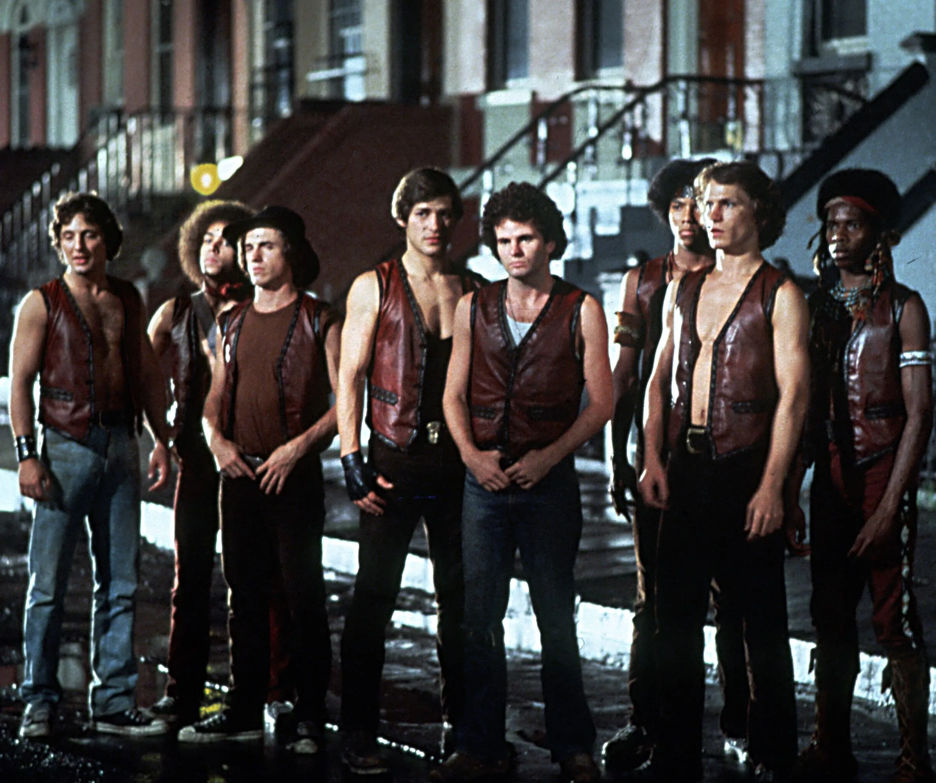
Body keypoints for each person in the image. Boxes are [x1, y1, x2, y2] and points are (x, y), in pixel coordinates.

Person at [437, 182, 612, 783]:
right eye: (505, 240)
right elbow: (452, 393)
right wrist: (470, 457)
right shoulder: (472, 306)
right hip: (482, 483)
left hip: (548, 484)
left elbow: (601, 403)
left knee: (555, 615)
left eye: (527, 238)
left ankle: (573, 746)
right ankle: (478, 743)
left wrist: (549, 459)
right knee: (477, 614)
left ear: (550, 241)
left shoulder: (580, 307)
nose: (515, 250)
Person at [639, 161, 808, 780]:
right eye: (706, 204)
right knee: (673, 621)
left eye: (727, 204)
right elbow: (658, 380)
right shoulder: (684, 288)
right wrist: (652, 458)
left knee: (760, 626)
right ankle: (674, 752)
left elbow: (794, 399)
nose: (710, 216)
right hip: (684, 471)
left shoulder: (780, 294)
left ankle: (773, 753)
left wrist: (772, 487)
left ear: (758, 212)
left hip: (745, 474)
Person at [604, 158, 754, 772]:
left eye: (701, 204)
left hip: (723, 460)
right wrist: (619, 458)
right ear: (666, 211)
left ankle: (739, 723)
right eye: (680, 206)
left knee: (732, 601)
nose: (691, 218)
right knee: (654, 599)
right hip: (656, 462)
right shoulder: (642, 282)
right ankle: (650, 722)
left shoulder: (746, 282)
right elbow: (622, 378)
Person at [179, 206, 340, 754]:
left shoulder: (320, 319)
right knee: (242, 595)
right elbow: (214, 397)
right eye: (247, 247)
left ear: (290, 251)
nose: (252, 255)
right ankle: (245, 705)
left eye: (265, 245)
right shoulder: (231, 320)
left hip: (292, 476)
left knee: (303, 595)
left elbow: (346, 405)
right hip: (240, 474)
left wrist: (296, 450)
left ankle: (312, 713)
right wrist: (216, 441)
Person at [11, 192, 172, 738]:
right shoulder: (43, 302)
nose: (80, 246)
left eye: (91, 235)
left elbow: (147, 373)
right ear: (59, 243)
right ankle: (39, 699)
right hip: (63, 447)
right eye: (71, 236)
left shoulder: (127, 297)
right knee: (48, 587)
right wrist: (27, 457)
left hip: (120, 445)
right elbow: (20, 386)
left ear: (108, 241)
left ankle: (114, 700)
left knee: (121, 582)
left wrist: (162, 438)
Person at [337, 168, 482, 774]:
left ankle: (463, 726)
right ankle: (358, 731)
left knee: (462, 603)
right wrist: (350, 460)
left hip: (455, 464)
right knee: (374, 598)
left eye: (445, 213)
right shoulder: (374, 286)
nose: (435, 225)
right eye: (423, 213)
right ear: (404, 218)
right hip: (392, 460)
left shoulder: (474, 288)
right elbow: (348, 376)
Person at [793, 170, 934, 782]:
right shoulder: (815, 307)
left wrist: (888, 508)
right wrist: (791, 488)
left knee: (893, 618)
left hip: (883, 474)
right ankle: (831, 744)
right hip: (828, 478)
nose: (838, 235)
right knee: (829, 614)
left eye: (852, 223)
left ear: (880, 233)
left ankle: (913, 757)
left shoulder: (905, 308)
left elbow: (920, 414)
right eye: (831, 224)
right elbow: (800, 406)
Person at [147, 200, 293, 726]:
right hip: (196, 460)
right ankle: (181, 691)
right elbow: (144, 372)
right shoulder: (175, 310)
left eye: (226, 239)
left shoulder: (259, 310)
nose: (215, 246)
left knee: (259, 582)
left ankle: (267, 692)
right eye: (206, 238)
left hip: (246, 462)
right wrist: (158, 438)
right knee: (189, 581)